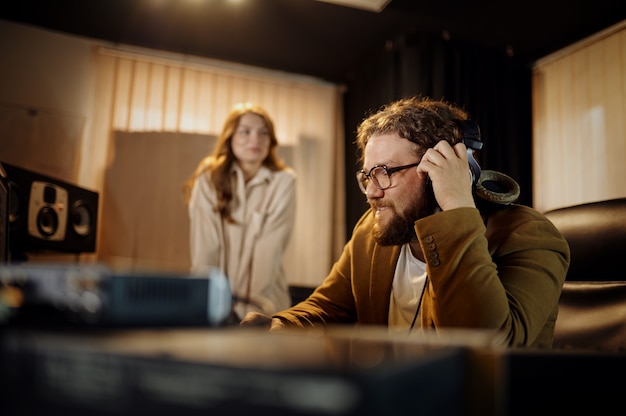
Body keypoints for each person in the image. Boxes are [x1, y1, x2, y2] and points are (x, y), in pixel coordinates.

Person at [240, 96, 570, 348]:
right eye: (367, 175)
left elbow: (489, 344)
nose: (371, 192)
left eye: (385, 173)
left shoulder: (529, 235)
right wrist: (278, 326)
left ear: (444, 168)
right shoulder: (372, 231)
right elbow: (327, 309)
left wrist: (455, 205)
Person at [184, 102, 296, 320]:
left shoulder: (284, 181)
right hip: (216, 306)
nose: (255, 139)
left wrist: (251, 312)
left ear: (270, 141)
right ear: (230, 137)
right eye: (245, 131)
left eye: (263, 133)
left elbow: (269, 249)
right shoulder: (208, 177)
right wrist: (205, 305)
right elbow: (206, 247)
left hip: (266, 306)